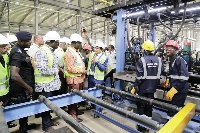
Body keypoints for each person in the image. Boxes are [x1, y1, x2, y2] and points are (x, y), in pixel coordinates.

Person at [130, 40, 164, 132]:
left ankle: (141, 127)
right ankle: (148, 126)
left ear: (144, 50)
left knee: (141, 107)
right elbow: (162, 74)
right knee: (149, 107)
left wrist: (135, 87)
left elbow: (139, 76)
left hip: (142, 88)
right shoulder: (160, 60)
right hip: (152, 88)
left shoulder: (142, 60)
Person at [34, 31, 61, 132]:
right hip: (44, 85)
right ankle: (46, 126)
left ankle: (49, 121)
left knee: (49, 105)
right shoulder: (42, 51)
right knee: (45, 106)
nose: (58, 44)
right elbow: (42, 69)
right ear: (51, 42)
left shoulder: (50, 51)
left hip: (50, 84)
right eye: (57, 42)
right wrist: (56, 70)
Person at [9, 31, 35, 133]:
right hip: (20, 89)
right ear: (21, 41)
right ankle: (22, 129)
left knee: (25, 110)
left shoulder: (21, 50)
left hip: (24, 88)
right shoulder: (16, 52)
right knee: (22, 110)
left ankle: (24, 126)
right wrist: (28, 87)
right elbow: (15, 75)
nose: (30, 42)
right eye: (28, 41)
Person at [63, 33, 86, 122]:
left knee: (77, 98)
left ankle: (75, 111)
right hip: (74, 80)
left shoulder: (76, 52)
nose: (80, 45)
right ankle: (72, 115)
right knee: (73, 98)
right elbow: (70, 68)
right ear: (75, 42)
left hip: (79, 79)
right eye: (79, 43)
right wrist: (82, 71)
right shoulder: (69, 53)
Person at [165, 40, 189, 117]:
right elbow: (174, 74)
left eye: (170, 48)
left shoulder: (179, 60)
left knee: (174, 111)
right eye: (167, 48)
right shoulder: (172, 60)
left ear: (175, 50)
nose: (167, 50)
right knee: (172, 109)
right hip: (176, 89)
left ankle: (170, 127)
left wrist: (174, 89)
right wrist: (169, 79)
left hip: (180, 91)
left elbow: (184, 77)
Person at [0, 34, 17, 128]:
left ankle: (7, 124)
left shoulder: (5, 56)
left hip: (6, 91)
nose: (6, 47)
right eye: (3, 46)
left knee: (5, 111)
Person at [87, 42, 108, 111]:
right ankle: (92, 106)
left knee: (98, 94)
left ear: (101, 49)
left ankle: (98, 110)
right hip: (90, 77)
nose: (95, 49)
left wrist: (97, 62)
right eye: (95, 47)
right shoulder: (92, 55)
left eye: (97, 48)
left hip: (98, 79)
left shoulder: (105, 58)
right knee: (91, 93)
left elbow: (103, 68)